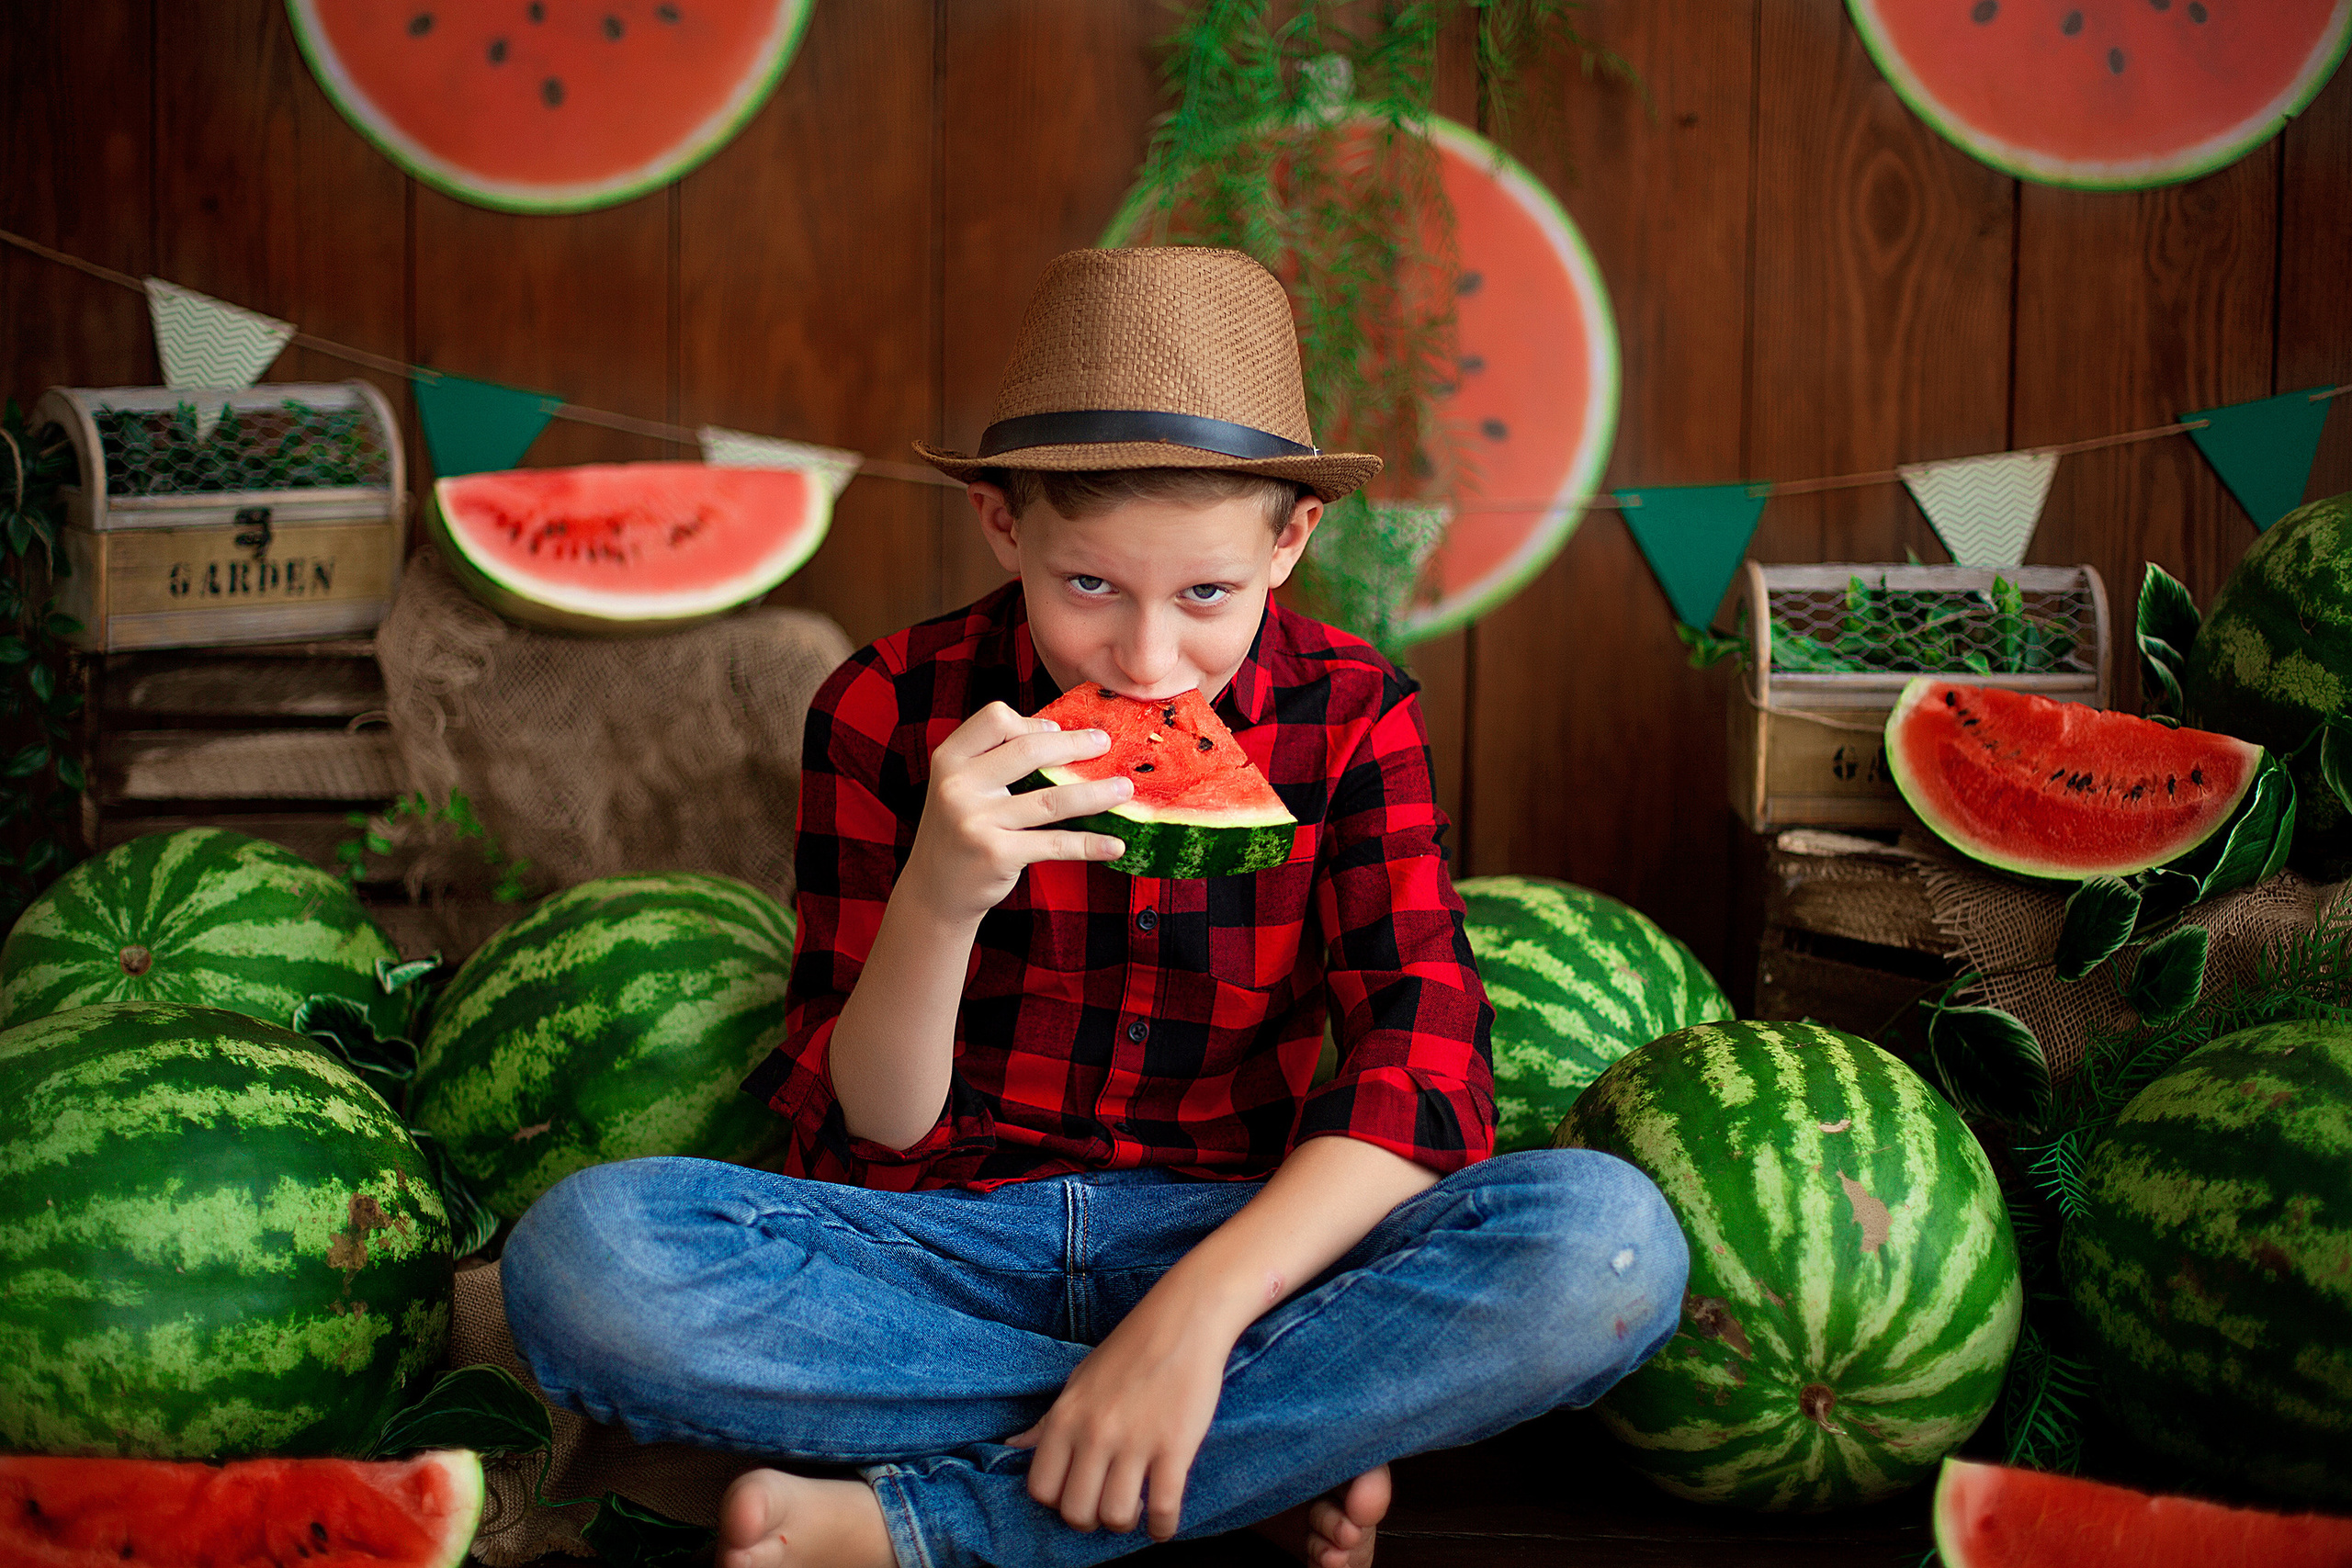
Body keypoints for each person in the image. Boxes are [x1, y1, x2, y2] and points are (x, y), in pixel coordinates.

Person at [498, 246, 1689, 1568]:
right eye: (1088, 587)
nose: (1145, 658)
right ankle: (1250, 1449)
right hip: (938, 1246)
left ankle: (948, 1516)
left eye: (1206, 595)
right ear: (1005, 523)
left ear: (1290, 540)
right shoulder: (882, 707)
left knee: (1610, 1245)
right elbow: (878, 1119)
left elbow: (1427, 1072)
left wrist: (1192, 1320)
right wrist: (941, 894)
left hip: (1241, 1237)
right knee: (583, 1265)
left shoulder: (1353, 720)